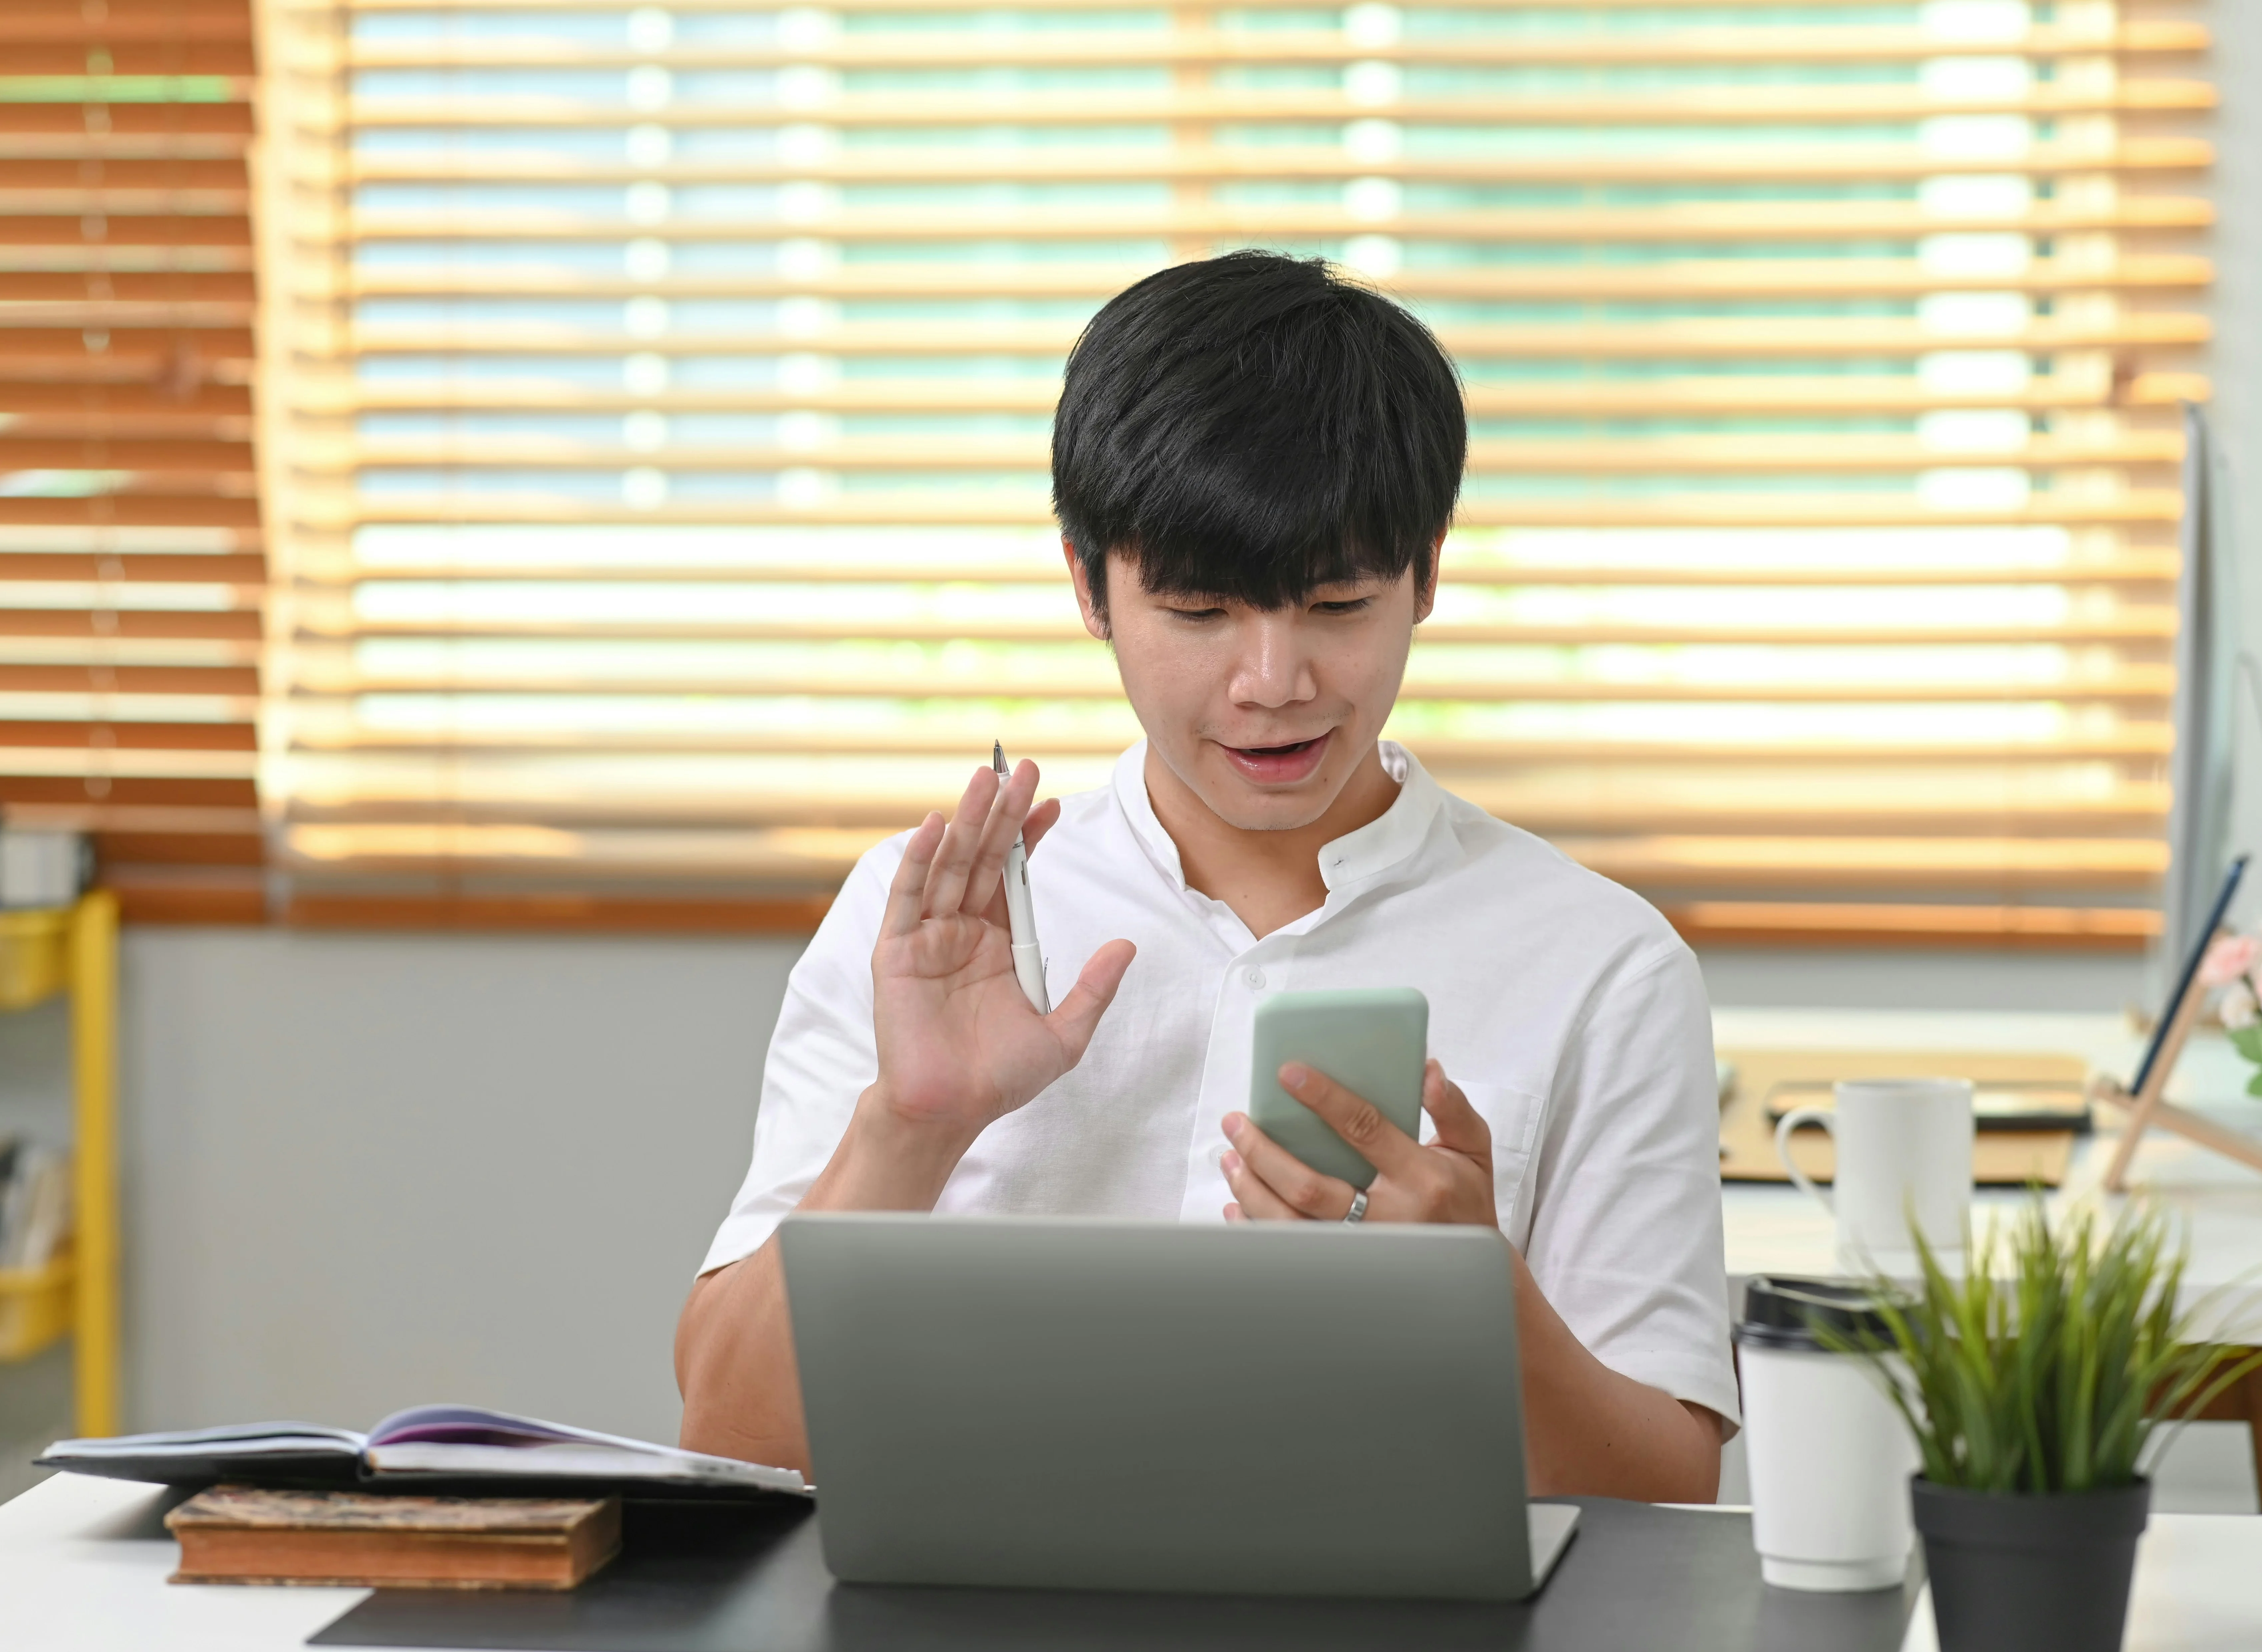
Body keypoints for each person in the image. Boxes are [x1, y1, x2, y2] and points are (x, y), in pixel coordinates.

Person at [676, 251, 1735, 1499]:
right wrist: (912, 1127)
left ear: (1427, 576)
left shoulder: (1597, 962)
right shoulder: (935, 927)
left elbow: (1667, 1493)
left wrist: (1480, 1311)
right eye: (1198, 614)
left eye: (1338, 604)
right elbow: (731, 1432)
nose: (1273, 682)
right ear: (1089, 586)